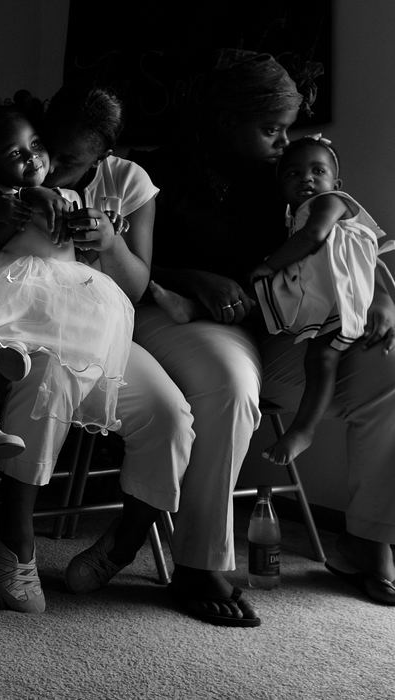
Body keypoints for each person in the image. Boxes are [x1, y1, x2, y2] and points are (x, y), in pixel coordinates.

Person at [135, 48, 395, 619]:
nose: (285, 145)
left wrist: (380, 296)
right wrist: (193, 277)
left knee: (387, 368)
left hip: (269, 328)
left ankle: (369, 540)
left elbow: (352, 238)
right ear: (226, 122)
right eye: (271, 130)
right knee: (231, 384)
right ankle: (201, 566)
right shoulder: (157, 172)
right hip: (178, 315)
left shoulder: (282, 182)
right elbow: (122, 264)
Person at [0, 93, 137, 614]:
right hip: (7, 300)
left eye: (36, 146)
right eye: (17, 153)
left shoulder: (73, 193)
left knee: (37, 361)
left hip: (64, 312)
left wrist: (104, 237)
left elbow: (112, 265)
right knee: (4, 347)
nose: (33, 157)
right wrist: (29, 203)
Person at [25, 84, 194, 599]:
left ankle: (124, 542)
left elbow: (138, 286)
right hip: (23, 327)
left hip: (100, 332)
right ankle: (14, 542)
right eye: (49, 150)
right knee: (38, 395)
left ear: (104, 154)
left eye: (71, 158)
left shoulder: (128, 182)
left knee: (169, 415)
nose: (52, 166)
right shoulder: (23, 163)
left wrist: (111, 243)